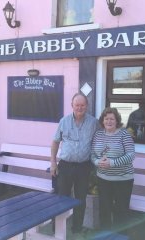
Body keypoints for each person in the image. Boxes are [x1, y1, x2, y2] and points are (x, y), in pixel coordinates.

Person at [50, 92, 99, 234]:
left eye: (82, 105)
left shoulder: (94, 123)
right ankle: (57, 229)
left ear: (87, 106)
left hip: (84, 166)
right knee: (61, 197)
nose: (80, 107)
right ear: (72, 105)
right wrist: (53, 163)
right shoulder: (63, 121)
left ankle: (76, 229)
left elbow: (100, 141)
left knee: (80, 199)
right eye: (77, 105)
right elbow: (55, 142)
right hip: (65, 166)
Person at [91, 107, 135, 231]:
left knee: (121, 212)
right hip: (103, 179)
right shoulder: (98, 134)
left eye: (112, 119)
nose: (109, 121)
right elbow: (92, 154)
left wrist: (112, 163)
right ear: (102, 121)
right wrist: (97, 161)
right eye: (106, 119)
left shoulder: (124, 134)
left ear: (117, 121)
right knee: (104, 210)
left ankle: (120, 236)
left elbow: (131, 155)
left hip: (123, 180)